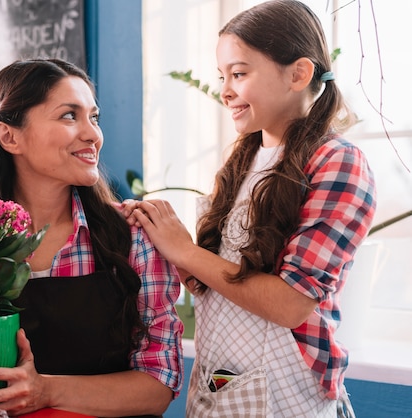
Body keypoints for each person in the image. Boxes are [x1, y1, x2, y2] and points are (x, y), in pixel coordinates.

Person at [118, 1, 376, 416]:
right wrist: (162, 238)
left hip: (290, 398)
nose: (225, 90)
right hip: (217, 387)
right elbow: (217, 282)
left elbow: (291, 304)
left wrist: (186, 251)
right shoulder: (241, 161)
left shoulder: (338, 162)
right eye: (223, 76)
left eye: (239, 73)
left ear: (299, 73)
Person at [0, 58, 184, 417]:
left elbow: (159, 385)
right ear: (9, 136)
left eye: (94, 117)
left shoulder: (135, 236)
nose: (93, 134)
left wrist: (45, 391)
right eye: (68, 116)